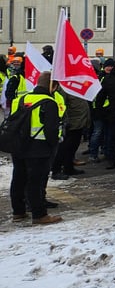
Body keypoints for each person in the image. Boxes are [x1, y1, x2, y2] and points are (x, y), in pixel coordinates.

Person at [9, 72, 62, 224]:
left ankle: (18, 211)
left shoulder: (21, 99)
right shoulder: (49, 102)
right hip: (38, 147)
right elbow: (51, 130)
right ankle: (39, 215)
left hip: (18, 145)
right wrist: (53, 145)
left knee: (19, 178)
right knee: (35, 182)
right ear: (54, 86)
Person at [51, 88, 89, 180]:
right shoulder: (63, 88)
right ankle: (56, 170)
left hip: (79, 122)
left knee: (72, 147)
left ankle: (69, 167)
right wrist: (65, 122)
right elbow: (62, 105)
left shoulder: (76, 86)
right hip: (71, 123)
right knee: (63, 148)